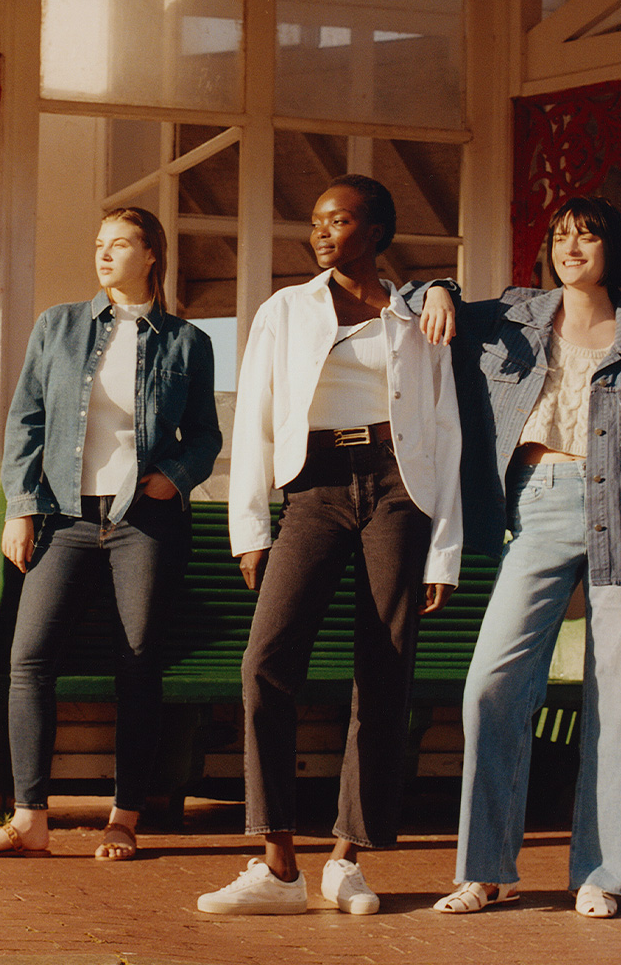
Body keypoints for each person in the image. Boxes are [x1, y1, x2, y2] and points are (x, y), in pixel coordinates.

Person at [420, 196, 621, 918]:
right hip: (539, 508)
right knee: (491, 684)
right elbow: (417, 304)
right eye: (561, 235)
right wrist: (435, 290)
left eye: (587, 235)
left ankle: (606, 875)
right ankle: (487, 869)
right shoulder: (515, 316)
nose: (571, 246)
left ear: (615, 249)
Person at [197, 174, 462, 915]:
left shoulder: (416, 316)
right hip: (312, 485)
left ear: (375, 231)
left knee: (384, 671)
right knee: (267, 662)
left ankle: (349, 857)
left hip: (398, 485)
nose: (320, 233)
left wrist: (445, 547)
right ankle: (277, 860)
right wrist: (250, 527)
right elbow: (254, 417)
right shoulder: (285, 310)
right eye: (315, 222)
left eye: (338, 220)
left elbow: (446, 430)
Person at [0, 207, 222, 860]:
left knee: (138, 667)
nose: (104, 255)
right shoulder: (59, 327)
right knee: (28, 659)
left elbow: (207, 435)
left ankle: (124, 819)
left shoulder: (187, 342)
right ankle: (29, 818)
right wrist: (21, 508)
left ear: (151, 254)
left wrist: (175, 475)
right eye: (99, 243)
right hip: (67, 518)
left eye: (120, 244)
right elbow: (26, 423)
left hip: (144, 522)